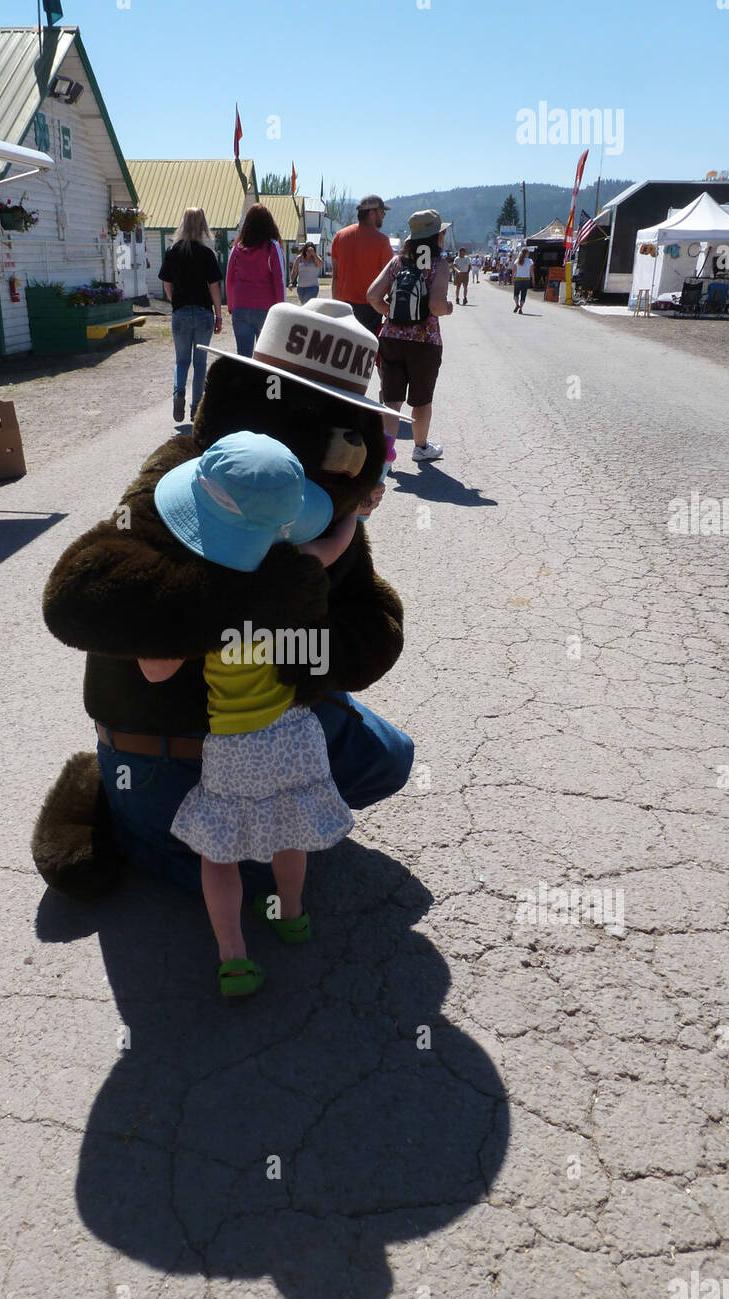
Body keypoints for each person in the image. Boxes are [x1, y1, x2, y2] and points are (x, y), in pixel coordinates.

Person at [143, 431, 357, 997]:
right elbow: (335, 544)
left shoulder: (203, 599)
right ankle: (291, 915)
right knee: (290, 833)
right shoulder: (293, 571)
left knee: (220, 854)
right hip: (294, 733)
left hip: (234, 745)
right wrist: (356, 507)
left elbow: (155, 670)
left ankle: (233, 956)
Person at [366, 208, 452, 465]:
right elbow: (436, 306)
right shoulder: (438, 265)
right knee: (421, 400)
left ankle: (385, 457)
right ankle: (421, 447)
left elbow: (372, 295)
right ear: (436, 237)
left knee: (392, 400)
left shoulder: (397, 262)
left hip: (391, 338)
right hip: (425, 342)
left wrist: (390, 312)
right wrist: (447, 308)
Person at [159, 207, 223, 421]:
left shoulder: (172, 251)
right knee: (200, 363)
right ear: (203, 225)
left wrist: (175, 300)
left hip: (181, 312)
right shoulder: (207, 254)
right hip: (204, 312)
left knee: (182, 360)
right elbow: (214, 287)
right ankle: (196, 407)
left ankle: (179, 393)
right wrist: (219, 314)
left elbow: (167, 284)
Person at [225, 203, 286, 357]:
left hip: (240, 307)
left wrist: (232, 305)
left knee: (243, 357)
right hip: (266, 309)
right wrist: (282, 312)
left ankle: (244, 382)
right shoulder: (273, 247)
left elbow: (230, 278)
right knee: (265, 357)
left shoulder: (237, 248)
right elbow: (280, 281)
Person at [330, 194, 394, 333]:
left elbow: (335, 276)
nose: (384, 215)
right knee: (366, 352)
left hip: (343, 308)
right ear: (372, 213)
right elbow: (390, 279)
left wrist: (336, 306)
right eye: (382, 212)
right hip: (369, 309)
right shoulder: (382, 241)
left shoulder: (340, 236)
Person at [513, 246, 534, 313]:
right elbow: (532, 271)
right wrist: (533, 279)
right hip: (526, 279)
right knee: (523, 294)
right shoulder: (530, 261)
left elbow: (514, 271)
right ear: (526, 253)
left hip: (518, 279)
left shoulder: (517, 261)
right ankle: (521, 309)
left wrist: (512, 278)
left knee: (516, 294)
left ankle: (517, 304)